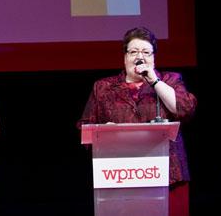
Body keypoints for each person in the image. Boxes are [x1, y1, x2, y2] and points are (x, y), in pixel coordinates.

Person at [78, 26, 197, 215]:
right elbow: (85, 127)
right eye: (133, 52)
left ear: (153, 57)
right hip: (121, 176)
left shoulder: (170, 80)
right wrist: (104, 132)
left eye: (146, 52)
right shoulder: (104, 87)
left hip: (167, 176)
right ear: (125, 57)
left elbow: (185, 109)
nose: (139, 57)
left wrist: (154, 81)